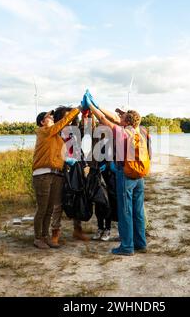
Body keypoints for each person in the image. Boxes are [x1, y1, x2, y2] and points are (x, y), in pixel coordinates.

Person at [85, 93, 150, 256]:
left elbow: (103, 119)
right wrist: (98, 106)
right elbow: (111, 116)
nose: (119, 119)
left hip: (126, 174)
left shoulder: (123, 132)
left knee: (125, 211)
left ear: (127, 121)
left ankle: (127, 246)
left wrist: (92, 106)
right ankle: (140, 243)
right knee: (138, 211)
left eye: (122, 118)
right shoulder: (140, 132)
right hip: (139, 175)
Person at [32, 105, 81, 250]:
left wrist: (67, 160)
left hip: (55, 174)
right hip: (42, 175)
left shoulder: (55, 136)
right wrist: (76, 109)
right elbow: (62, 123)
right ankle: (37, 238)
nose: (52, 118)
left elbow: (62, 152)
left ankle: (45, 236)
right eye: (49, 117)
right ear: (42, 122)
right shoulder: (44, 131)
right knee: (42, 209)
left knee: (49, 209)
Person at [50, 106, 90, 245]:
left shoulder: (75, 131)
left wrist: (85, 114)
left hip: (76, 169)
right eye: (67, 117)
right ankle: (55, 233)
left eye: (72, 117)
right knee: (58, 203)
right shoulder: (55, 133)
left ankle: (77, 230)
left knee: (77, 197)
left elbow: (86, 128)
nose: (70, 120)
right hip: (60, 169)